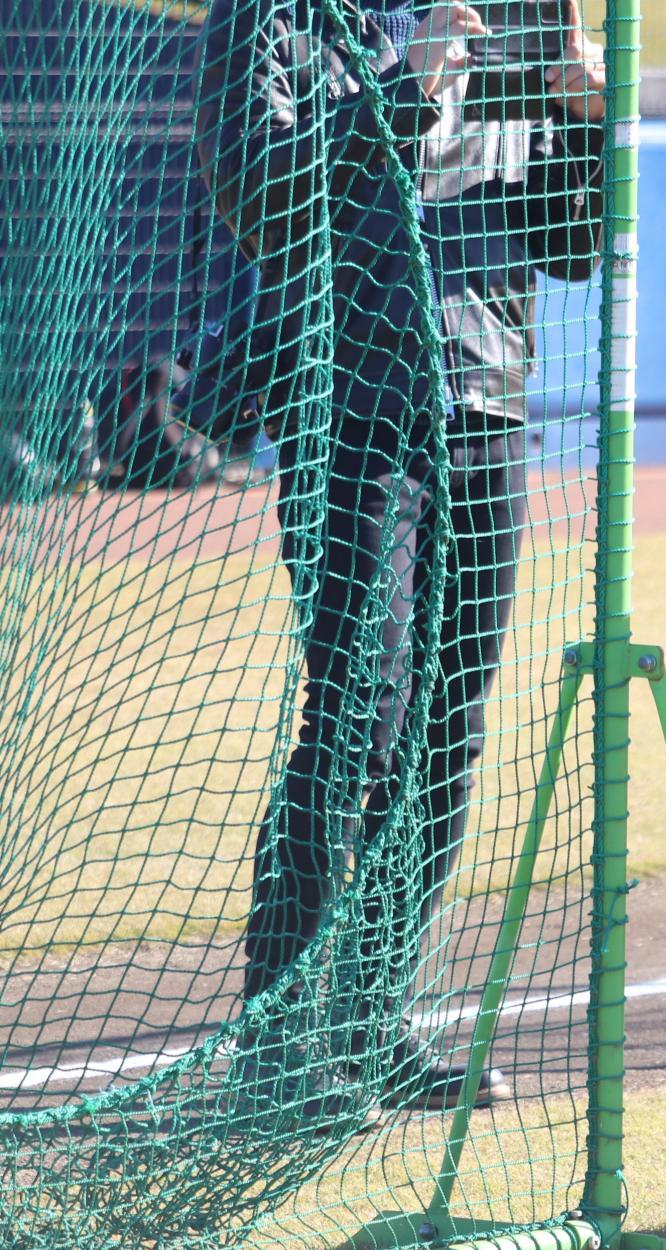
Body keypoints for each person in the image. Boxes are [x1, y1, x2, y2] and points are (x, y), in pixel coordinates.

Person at [196, 0, 606, 1113]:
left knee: (444, 734)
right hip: (350, 402)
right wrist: (403, 85)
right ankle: (275, 1050)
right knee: (356, 721)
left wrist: (584, 119)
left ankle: (372, 1023)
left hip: (484, 405)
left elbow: (568, 247)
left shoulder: (515, 17)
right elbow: (255, 196)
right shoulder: (277, 14)